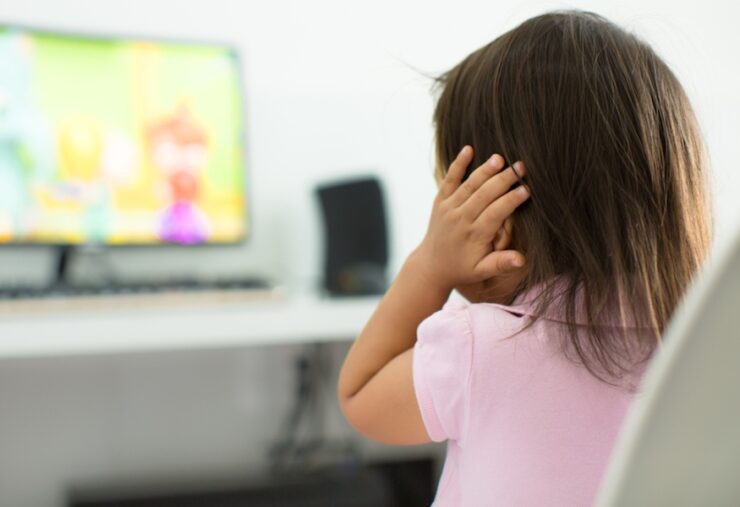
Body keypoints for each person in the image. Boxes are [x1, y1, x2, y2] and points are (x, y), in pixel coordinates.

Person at [337, 10, 712, 506]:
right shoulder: (700, 353)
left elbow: (359, 394)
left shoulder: (479, 349)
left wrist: (430, 266)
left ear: (499, 222)